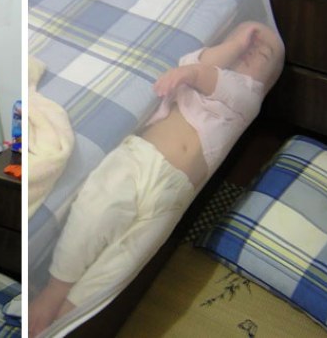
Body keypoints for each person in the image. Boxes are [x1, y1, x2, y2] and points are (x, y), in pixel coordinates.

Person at [28, 21, 285, 336]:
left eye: (263, 53)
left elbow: (217, 82)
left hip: (174, 194)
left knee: (126, 258)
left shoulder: (248, 100)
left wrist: (225, 52)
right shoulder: (197, 71)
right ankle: (55, 289)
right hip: (139, 158)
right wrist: (232, 47)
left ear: (268, 82)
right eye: (244, 42)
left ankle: (69, 315)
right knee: (94, 212)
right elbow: (196, 65)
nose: (250, 48)